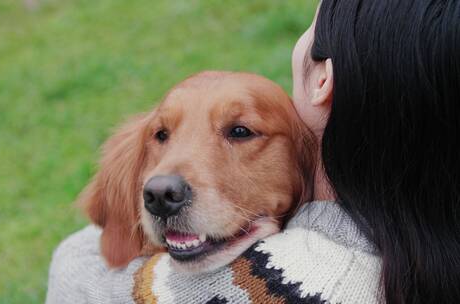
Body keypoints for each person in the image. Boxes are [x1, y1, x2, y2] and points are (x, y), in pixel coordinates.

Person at [46, 1, 460, 303]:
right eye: (162, 134)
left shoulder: (292, 283)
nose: (163, 187)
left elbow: (74, 272)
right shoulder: (429, 224)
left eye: (240, 131)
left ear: (324, 78)